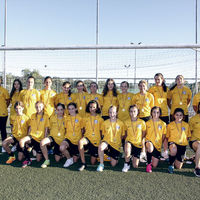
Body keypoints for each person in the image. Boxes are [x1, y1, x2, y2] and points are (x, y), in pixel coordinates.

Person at [19, 101, 49, 168]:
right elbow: (30, 127)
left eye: (40, 107)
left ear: (43, 107)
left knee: (38, 159)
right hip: (32, 137)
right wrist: (27, 136)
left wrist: (44, 139)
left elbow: (46, 128)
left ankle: (34, 150)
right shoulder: (32, 115)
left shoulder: (46, 116)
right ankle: (28, 159)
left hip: (40, 139)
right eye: (37, 107)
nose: (38, 108)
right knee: (21, 141)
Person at [97, 106, 124, 172]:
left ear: (116, 113)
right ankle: (101, 164)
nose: (112, 114)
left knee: (113, 164)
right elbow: (102, 134)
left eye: (114, 112)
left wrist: (118, 143)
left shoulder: (121, 123)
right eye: (110, 112)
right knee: (100, 147)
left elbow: (122, 135)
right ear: (108, 113)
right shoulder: (104, 123)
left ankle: (109, 156)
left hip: (116, 145)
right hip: (107, 142)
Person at [132, 80, 154, 161]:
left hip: (147, 117)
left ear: (146, 86)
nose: (142, 87)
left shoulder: (150, 96)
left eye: (143, 85)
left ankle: (149, 152)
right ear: (138, 86)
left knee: (147, 135)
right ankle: (142, 151)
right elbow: (133, 107)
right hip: (139, 118)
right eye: (140, 85)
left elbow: (152, 107)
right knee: (140, 135)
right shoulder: (135, 96)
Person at [78, 100, 103, 171]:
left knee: (93, 162)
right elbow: (83, 130)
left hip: (96, 141)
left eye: (94, 107)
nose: (92, 109)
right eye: (90, 107)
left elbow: (101, 132)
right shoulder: (85, 119)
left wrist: (101, 141)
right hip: (87, 139)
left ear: (97, 108)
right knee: (80, 142)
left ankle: (97, 154)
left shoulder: (100, 119)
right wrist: (81, 138)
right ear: (88, 108)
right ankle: (83, 163)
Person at [148, 73, 169, 159]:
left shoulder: (167, 89)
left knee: (164, 134)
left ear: (162, 79)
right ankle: (153, 150)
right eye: (155, 79)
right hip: (156, 114)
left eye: (158, 79)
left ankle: (165, 151)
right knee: (155, 133)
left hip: (164, 114)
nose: (157, 81)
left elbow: (168, 100)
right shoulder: (152, 89)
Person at [40, 103, 66, 168]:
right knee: (42, 142)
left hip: (61, 140)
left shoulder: (66, 119)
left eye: (61, 110)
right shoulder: (52, 118)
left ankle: (62, 153)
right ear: (56, 110)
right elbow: (49, 129)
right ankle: (47, 160)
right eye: (58, 110)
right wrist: (49, 137)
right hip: (52, 138)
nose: (59, 111)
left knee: (57, 159)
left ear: (64, 110)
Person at [166, 108, 191, 174]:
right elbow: (167, 137)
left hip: (182, 145)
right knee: (174, 149)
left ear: (183, 116)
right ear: (174, 115)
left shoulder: (186, 125)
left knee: (178, 166)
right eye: (177, 115)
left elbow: (188, 137)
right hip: (173, 143)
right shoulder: (170, 125)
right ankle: (171, 165)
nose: (179, 117)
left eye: (180, 115)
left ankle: (173, 157)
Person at [122, 105, 146, 172]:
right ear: (129, 112)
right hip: (129, 141)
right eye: (131, 111)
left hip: (138, 144)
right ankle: (126, 164)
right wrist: (127, 141)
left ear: (138, 112)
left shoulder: (142, 122)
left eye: (134, 111)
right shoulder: (126, 122)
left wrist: (141, 145)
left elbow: (143, 134)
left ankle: (132, 156)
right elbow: (125, 134)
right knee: (127, 149)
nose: (133, 113)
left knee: (135, 166)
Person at [60, 103, 83, 167]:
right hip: (69, 139)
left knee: (75, 160)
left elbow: (82, 130)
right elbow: (65, 129)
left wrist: (81, 140)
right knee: (62, 148)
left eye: (72, 108)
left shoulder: (80, 118)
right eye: (69, 109)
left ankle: (76, 155)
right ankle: (69, 159)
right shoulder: (66, 118)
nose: (71, 110)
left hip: (77, 141)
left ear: (76, 109)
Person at [145, 106, 166, 173]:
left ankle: (154, 157)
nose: (155, 114)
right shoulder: (147, 123)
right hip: (149, 142)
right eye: (154, 112)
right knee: (150, 148)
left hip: (157, 145)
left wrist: (160, 144)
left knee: (155, 165)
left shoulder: (163, 124)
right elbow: (144, 135)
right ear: (151, 113)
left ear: (160, 114)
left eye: (157, 112)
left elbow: (163, 137)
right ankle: (148, 164)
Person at [189, 101, 200, 177]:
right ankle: (197, 168)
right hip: (195, 141)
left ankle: (195, 158)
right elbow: (190, 133)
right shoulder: (193, 119)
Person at [0, 77, 10, 152]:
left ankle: (4, 146)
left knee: (3, 130)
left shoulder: (4, 90)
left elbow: (8, 101)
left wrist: (3, 108)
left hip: (3, 113)